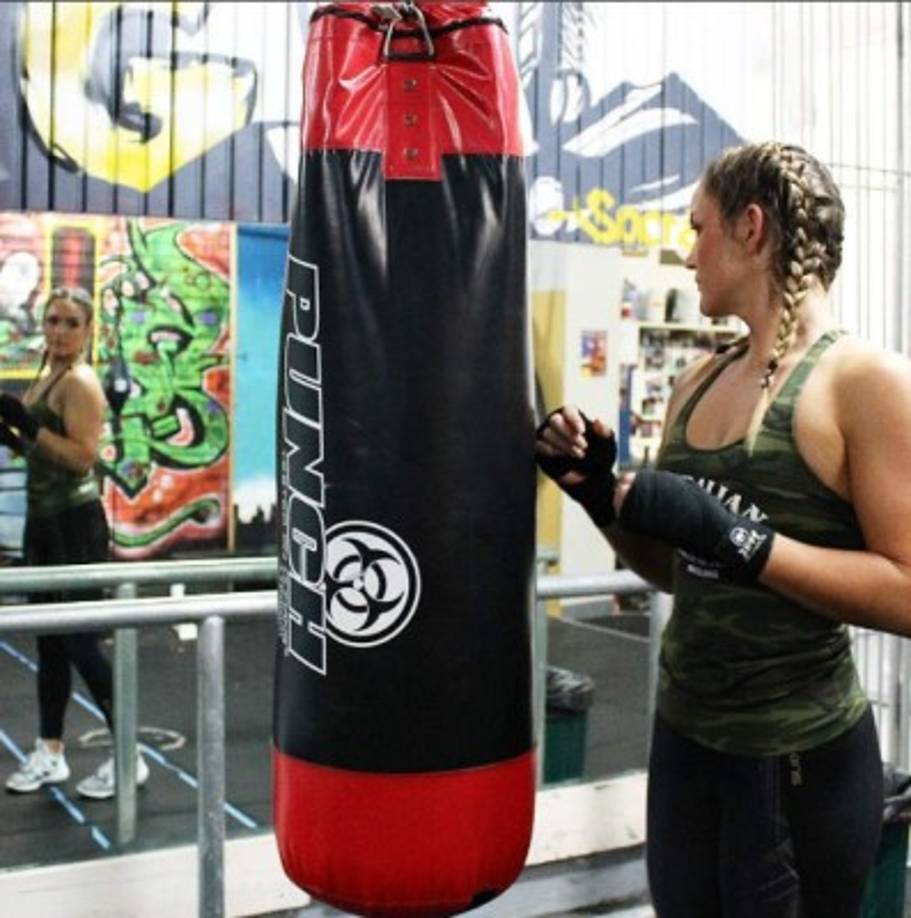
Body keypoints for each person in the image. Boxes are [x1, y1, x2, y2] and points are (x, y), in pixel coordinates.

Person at [536, 142, 911, 917]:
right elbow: (676, 573)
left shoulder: (862, 381)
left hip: (797, 758)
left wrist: (737, 536)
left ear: (749, 228)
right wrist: (599, 498)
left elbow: (905, 593)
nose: (685, 251)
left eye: (696, 226)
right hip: (685, 740)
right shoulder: (696, 381)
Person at [0, 286, 149, 800]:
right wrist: (16, 439)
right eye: (52, 321)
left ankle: (131, 755)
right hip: (44, 523)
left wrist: (29, 433)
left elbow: (83, 458)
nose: (59, 331)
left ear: (87, 331)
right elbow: (43, 453)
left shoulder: (81, 384)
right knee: (50, 641)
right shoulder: (49, 376)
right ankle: (51, 752)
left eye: (70, 323)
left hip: (75, 524)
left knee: (83, 643)